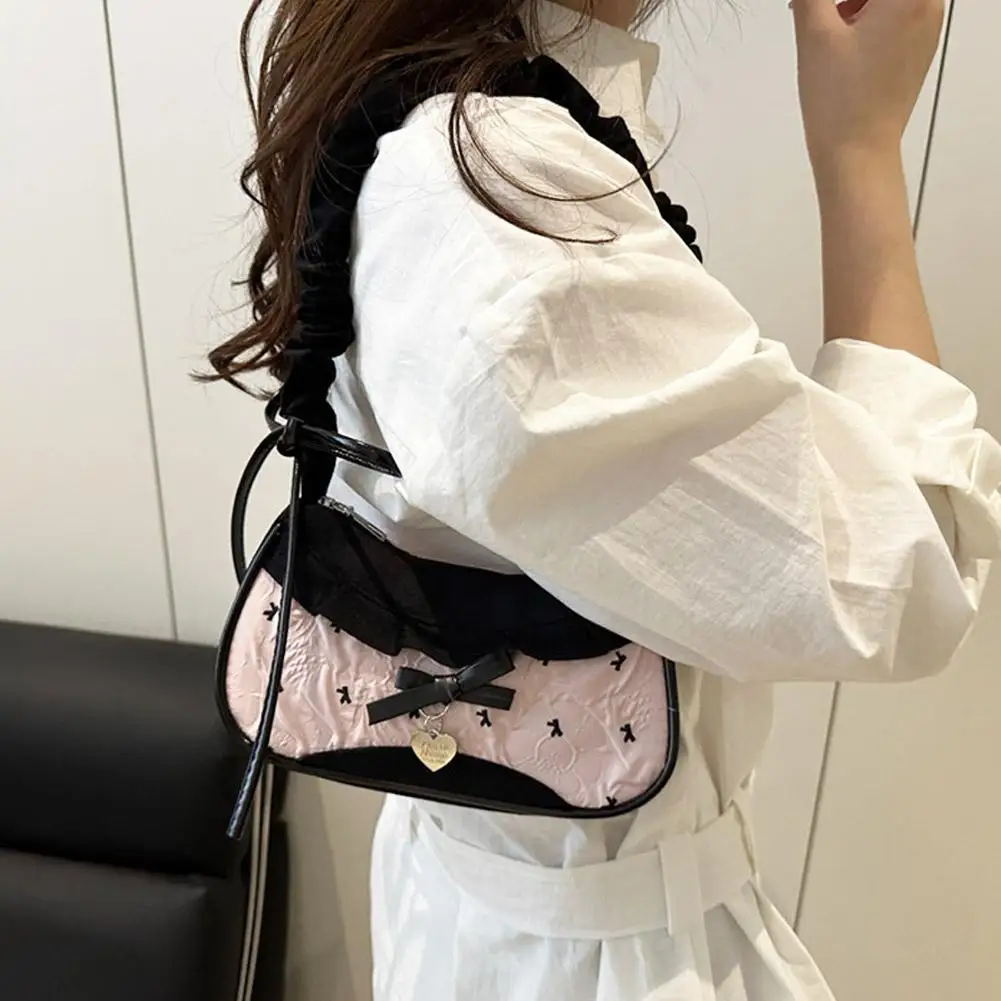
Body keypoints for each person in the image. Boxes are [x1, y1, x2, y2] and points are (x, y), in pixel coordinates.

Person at [208, 0, 1001, 998]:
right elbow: (904, 575)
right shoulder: (508, 215)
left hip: (493, 904)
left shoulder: (436, 109)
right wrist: (860, 149)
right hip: (600, 956)